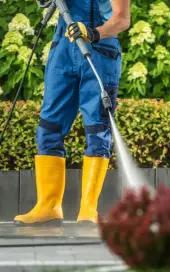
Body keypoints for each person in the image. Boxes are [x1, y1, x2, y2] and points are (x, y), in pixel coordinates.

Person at [14, 0, 131, 226]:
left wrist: (94, 33)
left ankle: (88, 209)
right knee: (49, 126)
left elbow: (122, 19)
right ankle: (48, 206)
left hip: (100, 50)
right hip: (63, 49)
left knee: (97, 129)